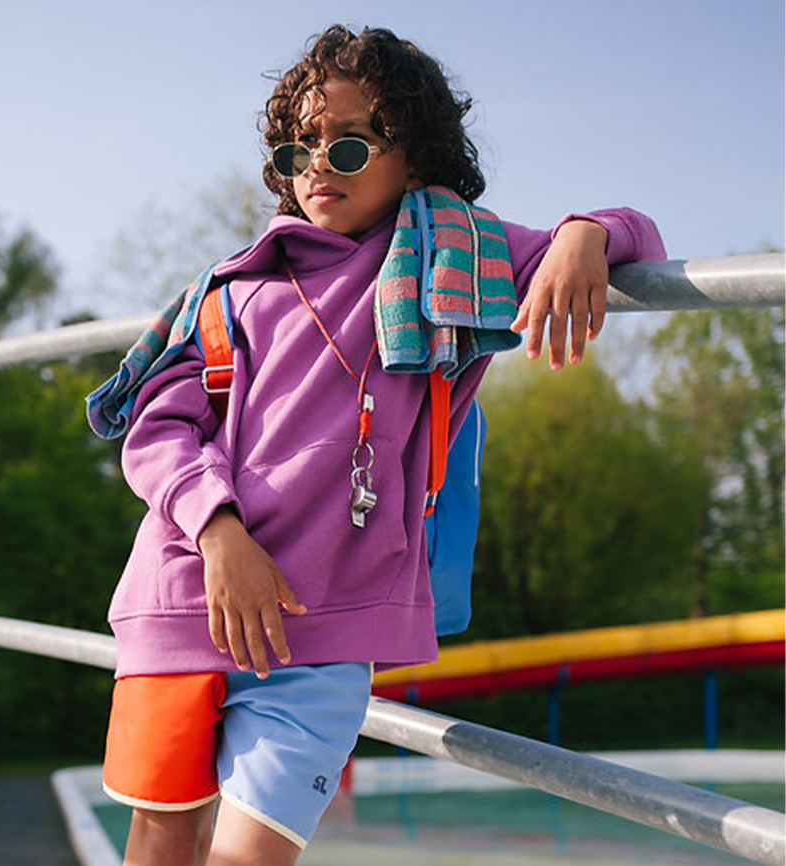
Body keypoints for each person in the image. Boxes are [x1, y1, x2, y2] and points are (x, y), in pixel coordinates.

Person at [87, 24, 665, 866]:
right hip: (187, 595)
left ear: (415, 159)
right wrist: (217, 533)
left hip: (322, 632)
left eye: (350, 145)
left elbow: (637, 231)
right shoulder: (236, 290)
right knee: (163, 839)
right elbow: (158, 428)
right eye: (299, 149)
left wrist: (585, 234)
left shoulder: (454, 254)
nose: (319, 165)